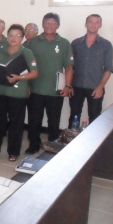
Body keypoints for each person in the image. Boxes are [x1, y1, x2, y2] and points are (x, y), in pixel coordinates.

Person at [0, 24, 38, 161]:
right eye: (11, 35)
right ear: (7, 36)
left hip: (17, 94)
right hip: (0, 92)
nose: (14, 38)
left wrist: (20, 77)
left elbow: (34, 73)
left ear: (22, 38)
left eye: (17, 35)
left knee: (16, 123)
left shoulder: (26, 52)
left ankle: (13, 151)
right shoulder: (0, 51)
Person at [26, 12, 73, 154]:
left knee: (54, 121)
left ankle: (53, 145)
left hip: (55, 90)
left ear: (58, 25)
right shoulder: (33, 42)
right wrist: (27, 84)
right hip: (35, 89)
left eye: (53, 23)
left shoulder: (64, 43)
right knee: (34, 120)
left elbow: (69, 66)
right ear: (42, 24)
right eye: (47, 23)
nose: (50, 26)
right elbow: (26, 64)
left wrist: (68, 86)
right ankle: (33, 144)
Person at [69, 14, 113, 126]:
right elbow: (69, 66)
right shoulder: (75, 43)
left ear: (100, 25)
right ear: (85, 24)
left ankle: (93, 143)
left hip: (95, 87)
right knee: (74, 115)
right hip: (76, 87)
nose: (93, 24)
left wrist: (100, 87)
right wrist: (69, 85)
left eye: (96, 22)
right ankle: (72, 142)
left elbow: (108, 68)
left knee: (94, 117)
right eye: (90, 21)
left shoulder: (106, 45)